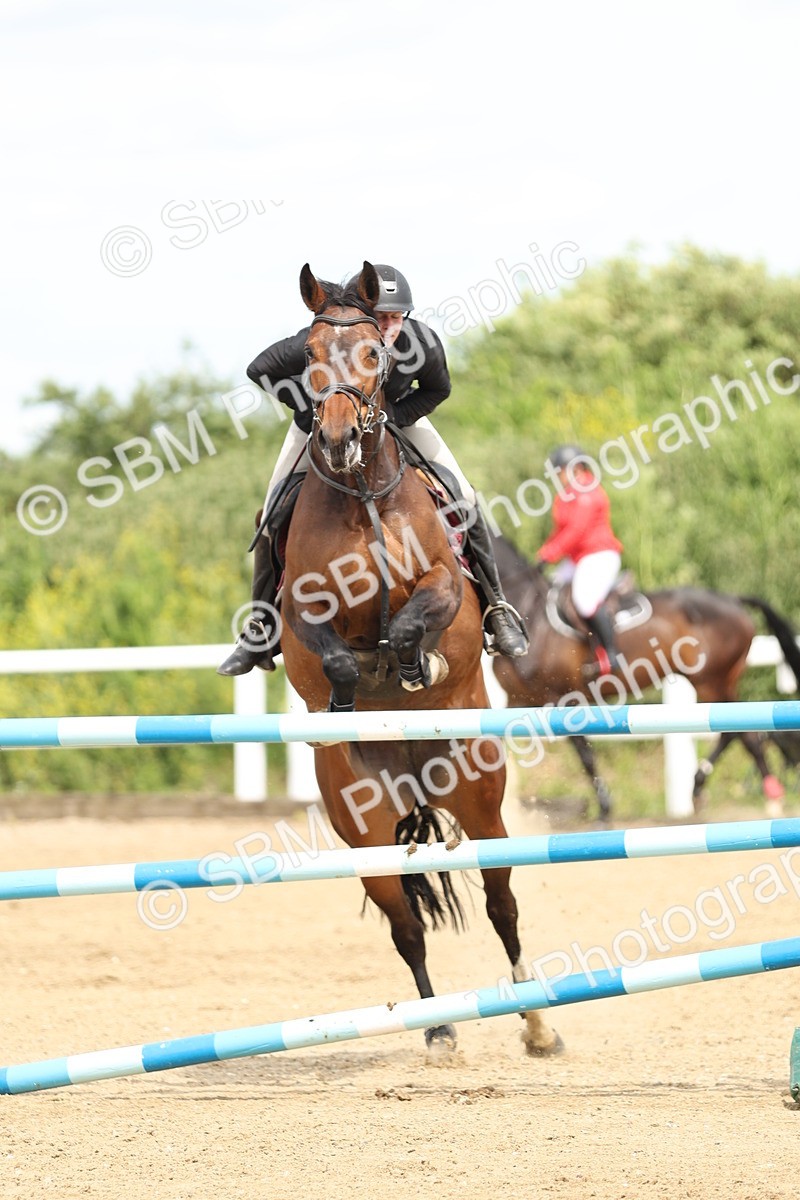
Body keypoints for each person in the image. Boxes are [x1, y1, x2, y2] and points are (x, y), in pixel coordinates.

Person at [218, 263, 529, 676]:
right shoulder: (333, 337)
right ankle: (260, 626)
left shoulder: (422, 343)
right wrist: (309, 409)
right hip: (322, 427)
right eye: (379, 317)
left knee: (465, 496)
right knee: (272, 512)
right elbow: (259, 369)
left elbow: (439, 389)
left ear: (405, 317)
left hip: (400, 421)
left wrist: (396, 415)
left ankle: (497, 609)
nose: (386, 327)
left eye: (393, 318)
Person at [536, 444, 623, 673]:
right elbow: (560, 531)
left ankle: (611, 652)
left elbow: (576, 530)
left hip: (598, 556)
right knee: (548, 588)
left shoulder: (586, 491)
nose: (557, 476)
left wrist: (549, 554)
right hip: (577, 560)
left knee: (584, 602)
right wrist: (543, 554)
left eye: (559, 471)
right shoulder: (566, 494)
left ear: (572, 468)